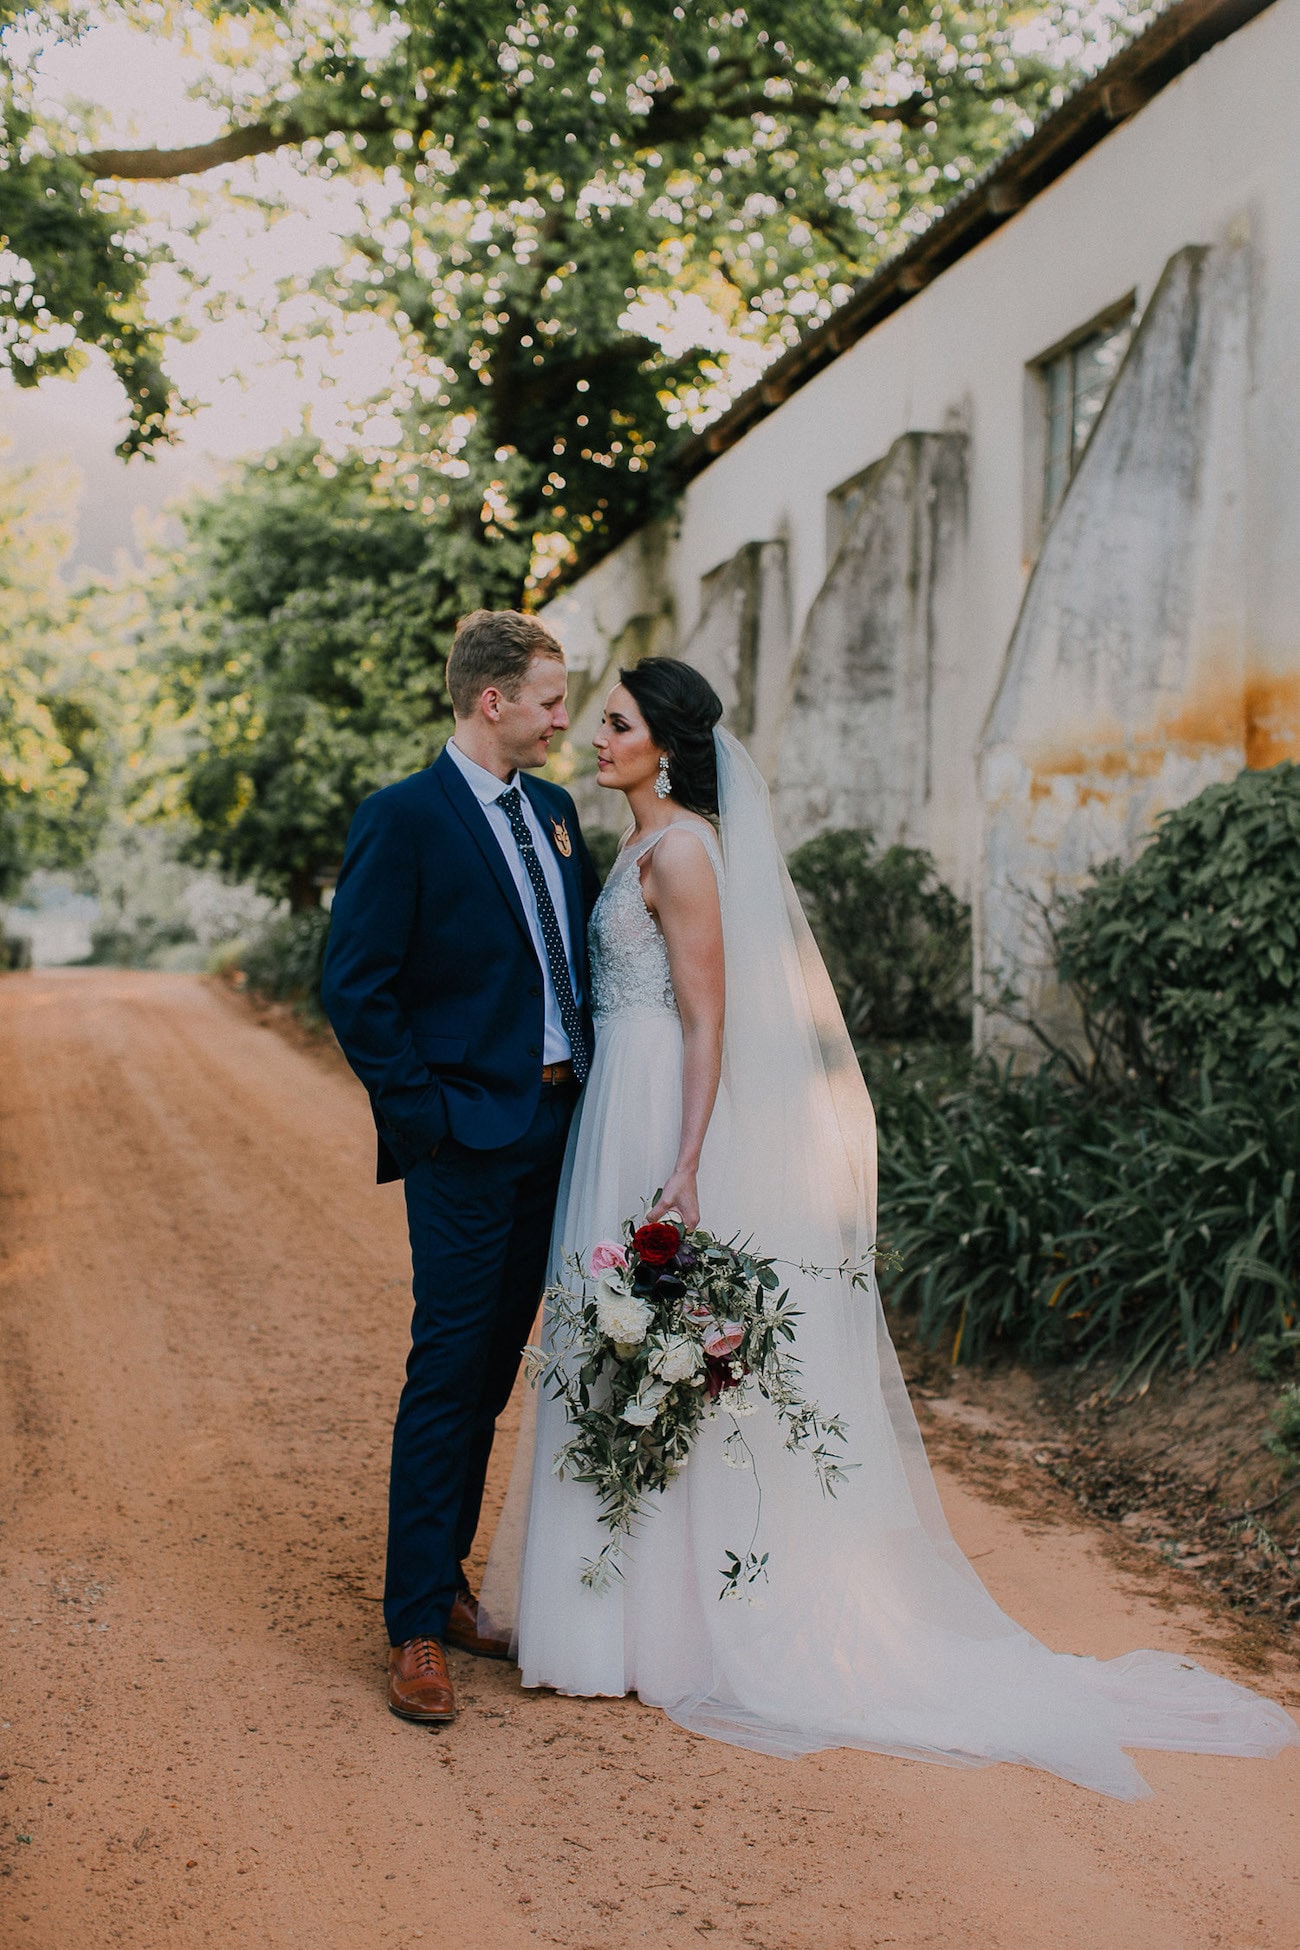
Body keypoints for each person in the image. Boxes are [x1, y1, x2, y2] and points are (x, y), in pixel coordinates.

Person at [482, 656, 1298, 1799]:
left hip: (658, 1107)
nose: (593, 736)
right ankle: (603, 1618)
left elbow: (710, 1021)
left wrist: (684, 1162)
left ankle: (660, 1634)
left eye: (613, 722)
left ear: (663, 744)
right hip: (614, 1098)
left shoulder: (682, 852)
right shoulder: (626, 843)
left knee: (657, 1350)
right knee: (616, 1348)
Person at [322, 608, 601, 1727]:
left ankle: (446, 1585)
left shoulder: (559, 813)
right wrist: (426, 1117)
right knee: (445, 1373)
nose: (561, 717)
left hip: (556, 1132)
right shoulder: (403, 818)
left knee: (493, 1373)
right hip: (464, 1141)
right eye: (548, 698)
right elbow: (356, 985)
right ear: (492, 701)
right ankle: (412, 1629)